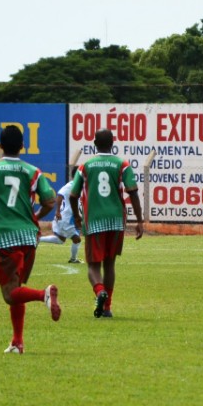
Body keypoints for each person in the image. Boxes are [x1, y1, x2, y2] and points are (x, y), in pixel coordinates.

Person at [0, 125, 61, 354]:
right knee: (17, 288)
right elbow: (50, 201)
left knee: (10, 294)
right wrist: (35, 217)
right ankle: (17, 341)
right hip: (29, 237)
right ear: (22, 146)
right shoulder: (33, 171)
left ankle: (43, 294)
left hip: (4, 236)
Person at [70, 128, 144, 318]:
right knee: (109, 265)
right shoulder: (122, 165)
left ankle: (99, 291)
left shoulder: (85, 167)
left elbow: (73, 194)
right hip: (116, 220)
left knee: (93, 266)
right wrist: (140, 220)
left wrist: (77, 217)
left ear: (94, 144)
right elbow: (133, 191)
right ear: (113, 143)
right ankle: (107, 306)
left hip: (94, 220)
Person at [39, 167, 83, 263]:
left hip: (67, 218)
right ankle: (73, 259)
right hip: (65, 218)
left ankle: (38, 239)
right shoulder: (71, 185)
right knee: (77, 240)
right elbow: (59, 195)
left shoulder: (80, 186)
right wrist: (57, 211)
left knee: (60, 239)